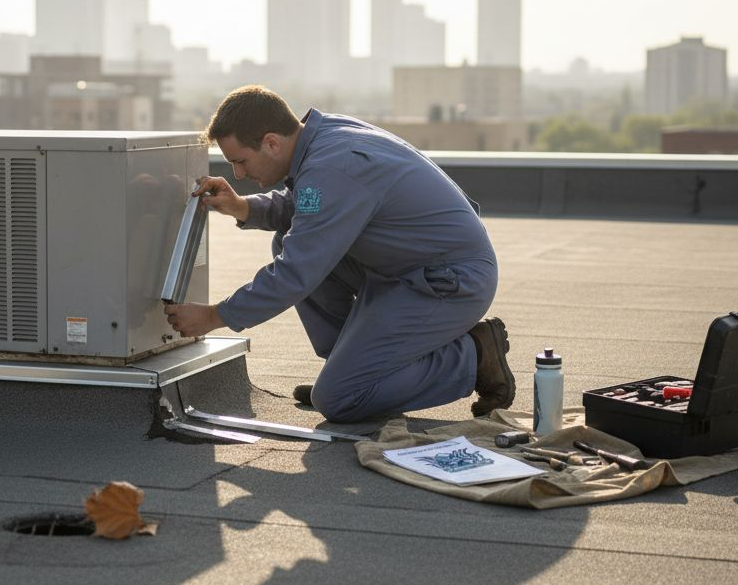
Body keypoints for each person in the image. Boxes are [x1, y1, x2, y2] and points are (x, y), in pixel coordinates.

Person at [163, 85, 513, 423]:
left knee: (339, 399)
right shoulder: (321, 139)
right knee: (289, 239)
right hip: (408, 268)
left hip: (448, 283)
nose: (237, 173)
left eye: (240, 161)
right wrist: (242, 207)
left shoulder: (334, 166)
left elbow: (295, 273)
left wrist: (213, 316)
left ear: (271, 142)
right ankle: (353, 370)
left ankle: (475, 356)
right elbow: (310, 207)